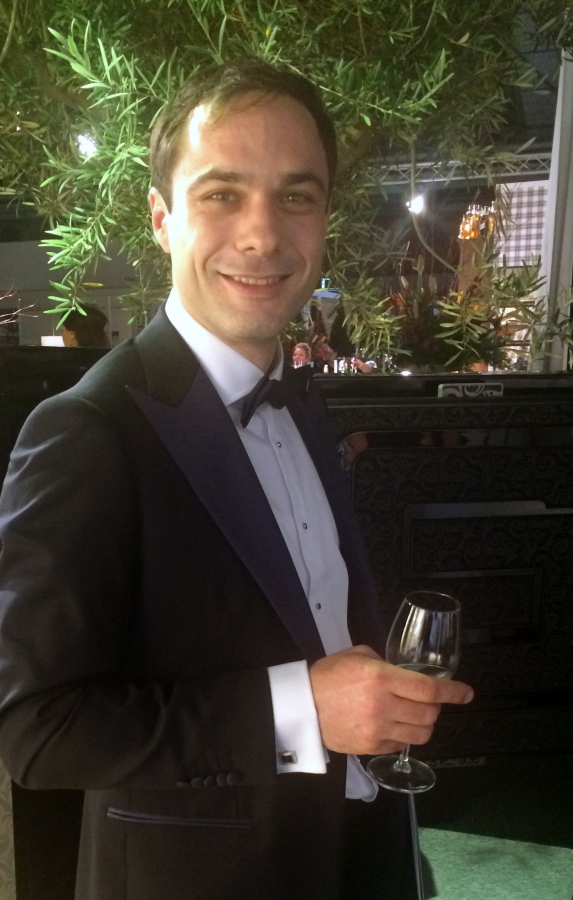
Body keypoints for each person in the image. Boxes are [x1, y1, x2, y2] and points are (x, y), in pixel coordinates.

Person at [0, 58, 473, 900]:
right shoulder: (86, 432)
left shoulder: (303, 400)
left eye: (296, 196)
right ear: (161, 217)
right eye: (221, 193)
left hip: (352, 851)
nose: (262, 235)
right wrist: (302, 713)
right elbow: (34, 731)